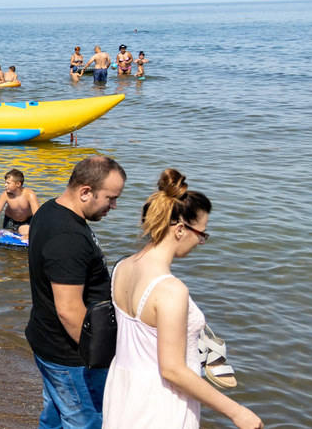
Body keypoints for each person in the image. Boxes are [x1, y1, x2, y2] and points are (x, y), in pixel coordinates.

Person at [103, 170, 262, 429]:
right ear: (180, 230)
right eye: (202, 233)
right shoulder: (171, 290)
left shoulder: (122, 267)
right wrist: (237, 412)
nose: (201, 242)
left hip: (122, 391)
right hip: (160, 403)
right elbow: (172, 370)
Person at [26, 156, 127, 429]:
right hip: (71, 357)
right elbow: (69, 310)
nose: (114, 206)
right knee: (86, 422)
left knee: (54, 416)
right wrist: (104, 358)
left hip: (47, 341)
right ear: (85, 192)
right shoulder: (67, 238)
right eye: (110, 198)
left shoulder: (48, 210)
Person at [0, 169, 39, 241]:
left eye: (8, 183)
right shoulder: (5, 195)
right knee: (8, 237)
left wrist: (30, 233)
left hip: (27, 221)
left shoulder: (30, 194)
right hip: (10, 221)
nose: (5, 185)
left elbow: (37, 215)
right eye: (5, 183)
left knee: (24, 233)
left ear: (18, 184)